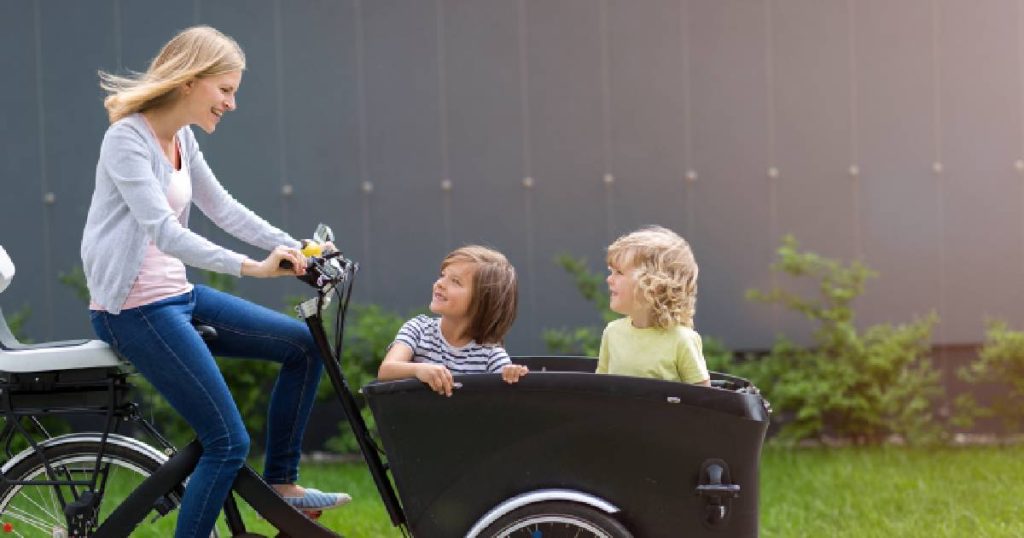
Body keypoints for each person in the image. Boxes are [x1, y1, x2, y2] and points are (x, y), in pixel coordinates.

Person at [81, 26, 348, 537]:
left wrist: (299, 247)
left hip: (177, 297)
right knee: (226, 442)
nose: (231, 103)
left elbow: (222, 207)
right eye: (224, 90)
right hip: (133, 312)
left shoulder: (180, 138)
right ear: (189, 81)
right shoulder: (126, 141)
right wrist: (254, 268)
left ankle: (283, 483)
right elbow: (162, 230)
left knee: (303, 347)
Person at [378, 245, 528, 396]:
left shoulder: (490, 354)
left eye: (455, 281)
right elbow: (386, 370)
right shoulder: (418, 328)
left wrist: (512, 374)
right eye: (443, 275)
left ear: (482, 301)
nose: (440, 283)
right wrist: (419, 370)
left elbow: (510, 394)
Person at [597, 226, 710, 386]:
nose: (609, 279)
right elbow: (600, 390)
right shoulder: (612, 333)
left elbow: (702, 402)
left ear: (654, 285)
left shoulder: (681, 340)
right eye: (611, 271)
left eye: (619, 273)